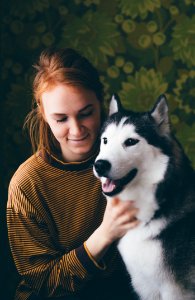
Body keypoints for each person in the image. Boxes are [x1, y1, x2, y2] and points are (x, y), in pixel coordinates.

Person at [7, 48, 139, 300]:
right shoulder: (27, 185)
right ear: (43, 115)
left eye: (86, 113)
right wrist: (105, 233)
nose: (76, 130)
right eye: (61, 119)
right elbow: (41, 285)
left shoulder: (132, 153)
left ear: (100, 102)